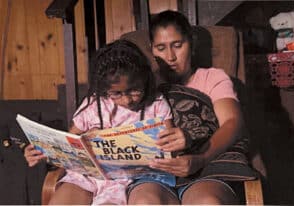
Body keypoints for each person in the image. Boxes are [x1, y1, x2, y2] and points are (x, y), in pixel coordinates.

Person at [24, 39, 184, 205]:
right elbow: (68, 143)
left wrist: (173, 146)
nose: (127, 100)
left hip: (135, 179)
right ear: (105, 89)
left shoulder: (156, 104)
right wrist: (45, 152)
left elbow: (170, 148)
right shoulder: (95, 105)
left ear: (145, 80)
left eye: (134, 90)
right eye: (116, 93)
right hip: (88, 177)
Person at [127, 10, 246, 205]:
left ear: (192, 43)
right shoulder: (139, 86)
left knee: (208, 203)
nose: (170, 57)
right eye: (161, 48)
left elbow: (233, 122)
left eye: (177, 45)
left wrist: (201, 157)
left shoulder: (212, 78)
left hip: (206, 166)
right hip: (155, 172)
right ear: (152, 50)